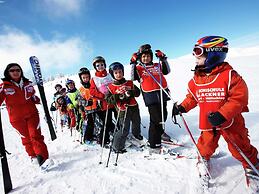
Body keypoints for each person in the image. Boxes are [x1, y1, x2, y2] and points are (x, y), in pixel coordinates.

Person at [172, 36, 259, 191]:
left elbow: (239, 97)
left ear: (214, 53)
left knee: (240, 145)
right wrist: (183, 107)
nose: (195, 56)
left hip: (230, 122)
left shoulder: (230, 76)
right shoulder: (196, 79)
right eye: (194, 52)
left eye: (198, 51)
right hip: (208, 122)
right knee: (205, 145)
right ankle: (203, 160)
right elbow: (193, 97)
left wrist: (223, 113)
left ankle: (251, 165)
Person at [0, 63, 50, 167]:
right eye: (12, 70)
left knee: (35, 136)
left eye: (18, 70)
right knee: (26, 138)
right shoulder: (4, 86)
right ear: (8, 73)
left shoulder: (28, 84)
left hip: (32, 115)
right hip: (16, 119)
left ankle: (43, 158)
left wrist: (36, 99)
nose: (15, 72)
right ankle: (33, 156)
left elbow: (33, 97)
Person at [130, 44, 171, 152]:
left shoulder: (157, 65)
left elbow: (167, 71)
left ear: (151, 57)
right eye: (143, 56)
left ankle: (160, 132)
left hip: (162, 93)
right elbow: (133, 77)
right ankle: (153, 144)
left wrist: (163, 59)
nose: (146, 58)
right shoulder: (139, 68)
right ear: (140, 58)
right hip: (150, 97)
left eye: (148, 56)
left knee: (163, 115)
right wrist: (133, 63)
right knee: (155, 119)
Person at [106, 62, 143, 153]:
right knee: (124, 129)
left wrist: (131, 91)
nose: (118, 74)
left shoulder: (129, 82)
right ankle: (117, 146)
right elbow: (108, 100)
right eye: (116, 73)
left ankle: (136, 136)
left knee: (136, 123)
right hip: (123, 110)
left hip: (134, 107)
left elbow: (138, 93)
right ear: (112, 74)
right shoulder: (111, 87)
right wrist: (119, 96)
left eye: (120, 72)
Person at [90, 56, 116, 147]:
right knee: (107, 122)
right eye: (98, 65)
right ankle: (104, 140)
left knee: (120, 119)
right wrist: (103, 96)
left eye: (102, 64)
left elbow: (116, 83)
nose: (100, 67)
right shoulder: (94, 79)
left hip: (115, 101)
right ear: (95, 67)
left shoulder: (110, 74)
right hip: (105, 103)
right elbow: (92, 92)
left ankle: (119, 134)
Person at [78, 67, 98, 144]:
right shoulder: (81, 89)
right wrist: (86, 103)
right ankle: (87, 138)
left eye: (87, 77)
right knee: (90, 124)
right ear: (81, 78)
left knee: (98, 122)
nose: (86, 79)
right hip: (88, 110)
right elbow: (80, 100)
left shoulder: (93, 86)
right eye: (84, 78)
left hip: (96, 108)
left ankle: (95, 134)